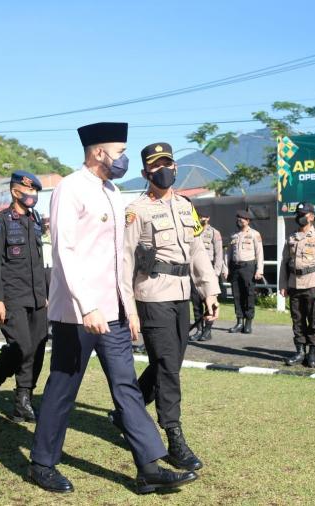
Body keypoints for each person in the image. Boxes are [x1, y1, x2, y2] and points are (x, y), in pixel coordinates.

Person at [29, 123, 197, 495]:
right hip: (78, 313)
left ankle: (149, 467)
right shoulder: (71, 189)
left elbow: (120, 257)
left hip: (114, 310)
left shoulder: (112, 190)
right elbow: (64, 252)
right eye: (119, 152)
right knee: (63, 387)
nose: (122, 158)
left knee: (126, 386)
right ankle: (42, 463)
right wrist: (87, 306)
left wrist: (129, 307)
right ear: (98, 152)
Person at [118, 142, 220, 472]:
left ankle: (126, 411)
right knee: (166, 366)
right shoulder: (136, 210)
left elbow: (198, 250)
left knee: (170, 363)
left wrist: (210, 291)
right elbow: (123, 259)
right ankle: (174, 436)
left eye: (169, 164)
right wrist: (129, 307)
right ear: (147, 173)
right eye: (158, 165)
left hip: (182, 293)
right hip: (151, 294)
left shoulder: (185, 206)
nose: (165, 170)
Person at [0, 171, 48, 423]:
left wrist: (45, 295)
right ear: (15, 192)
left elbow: (39, 262)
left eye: (36, 192)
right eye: (29, 191)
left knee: (37, 346)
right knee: (22, 347)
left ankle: (23, 400)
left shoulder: (35, 219)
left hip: (36, 296)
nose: (33, 196)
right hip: (11, 296)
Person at [279, 202, 315, 368]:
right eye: (298, 214)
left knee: (314, 320)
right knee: (297, 320)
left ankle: (312, 354)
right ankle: (300, 351)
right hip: (294, 284)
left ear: (311, 217)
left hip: (312, 285)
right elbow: (284, 263)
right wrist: (283, 284)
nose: (300, 217)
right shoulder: (291, 238)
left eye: (303, 214)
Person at [227, 210, 263, 334]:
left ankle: (248, 323)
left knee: (249, 294)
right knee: (236, 295)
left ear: (248, 221)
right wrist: (226, 269)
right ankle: (239, 322)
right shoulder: (234, 235)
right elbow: (229, 254)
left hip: (248, 267)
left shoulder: (255, 234)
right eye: (238, 219)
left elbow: (259, 253)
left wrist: (260, 270)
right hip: (235, 268)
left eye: (242, 219)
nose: (239, 221)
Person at [189, 210, 223, 342]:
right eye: (200, 216)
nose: (203, 218)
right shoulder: (193, 230)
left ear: (208, 218)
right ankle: (199, 329)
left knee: (210, 304)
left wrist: (216, 273)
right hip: (195, 274)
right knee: (196, 304)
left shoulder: (214, 232)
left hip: (209, 273)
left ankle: (208, 330)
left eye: (205, 216)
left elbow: (219, 254)